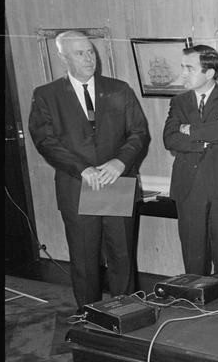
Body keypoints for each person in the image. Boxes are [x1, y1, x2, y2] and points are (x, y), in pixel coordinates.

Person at [29, 30, 150, 312]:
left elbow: (138, 133)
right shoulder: (46, 95)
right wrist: (82, 169)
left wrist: (121, 162)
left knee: (122, 255)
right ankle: (89, 317)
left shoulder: (119, 89)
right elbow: (44, 140)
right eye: (79, 53)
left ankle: (126, 314)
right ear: (63, 57)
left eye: (90, 52)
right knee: (84, 260)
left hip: (117, 182)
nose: (88, 58)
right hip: (77, 186)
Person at [163, 45, 218, 276]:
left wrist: (188, 128)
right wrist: (207, 136)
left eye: (189, 68)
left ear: (209, 73)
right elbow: (169, 139)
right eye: (183, 68)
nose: (183, 74)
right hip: (189, 188)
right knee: (193, 262)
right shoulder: (179, 102)